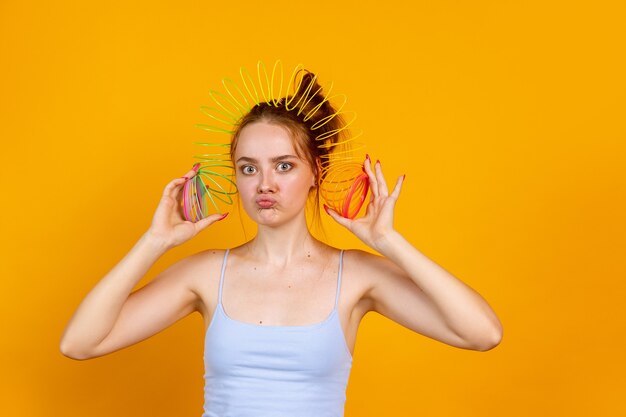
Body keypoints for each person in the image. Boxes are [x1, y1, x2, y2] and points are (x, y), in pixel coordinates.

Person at [60, 70, 503, 417]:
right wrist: (154, 241)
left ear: (316, 172)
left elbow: (482, 333)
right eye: (249, 168)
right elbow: (79, 343)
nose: (264, 184)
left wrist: (389, 241)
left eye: (284, 166)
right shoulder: (205, 273)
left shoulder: (356, 277)